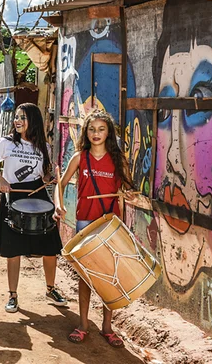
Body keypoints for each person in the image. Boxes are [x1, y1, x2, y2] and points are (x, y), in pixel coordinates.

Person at [55, 110, 135, 348]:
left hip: (110, 225)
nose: (96, 134)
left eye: (101, 129)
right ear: (86, 133)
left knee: (109, 275)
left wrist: (129, 194)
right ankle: (83, 324)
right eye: (92, 129)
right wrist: (58, 206)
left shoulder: (118, 159)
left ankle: (107, 327)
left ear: (108, 132)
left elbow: (129, 189)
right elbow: (60, 185)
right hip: (85, 223)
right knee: (86, 276)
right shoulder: (80, 157)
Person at [0, 102, 67, 313]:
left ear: (33, 121)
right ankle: (13, 295)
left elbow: (44, 174)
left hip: (38, 194)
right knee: (14, 249)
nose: (17, 121)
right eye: (16, 117)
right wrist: (2, 181)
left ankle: (50, 288)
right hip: (13, 195)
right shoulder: (7, 143)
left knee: (50, 247)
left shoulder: (44, 148)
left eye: (23, 117)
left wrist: (50, 178)